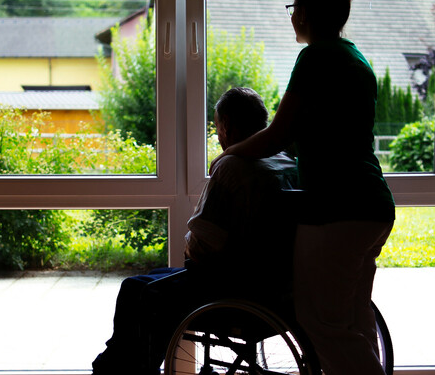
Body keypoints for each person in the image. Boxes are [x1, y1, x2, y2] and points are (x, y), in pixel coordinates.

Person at [211, 0, 396, 375]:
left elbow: (277, 135)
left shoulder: (316, 57)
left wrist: (225, 158)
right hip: (373, 205)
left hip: (337, 209)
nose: (291, 17)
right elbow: (312, 136)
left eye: (293, 9)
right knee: (353, 320)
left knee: (321, 324)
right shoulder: (354, 58)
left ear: (304, 15)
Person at [91, 87, 299, 375]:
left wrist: (190, 246)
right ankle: (124, 366)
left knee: (137, 289)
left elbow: (203, 246)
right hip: (278, 290)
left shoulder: (233, 166)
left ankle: (117, 370)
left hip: (231, 291)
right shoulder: (288, 164)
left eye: (217, 127)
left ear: (226, 124)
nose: (217, 135)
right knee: (151, 281)